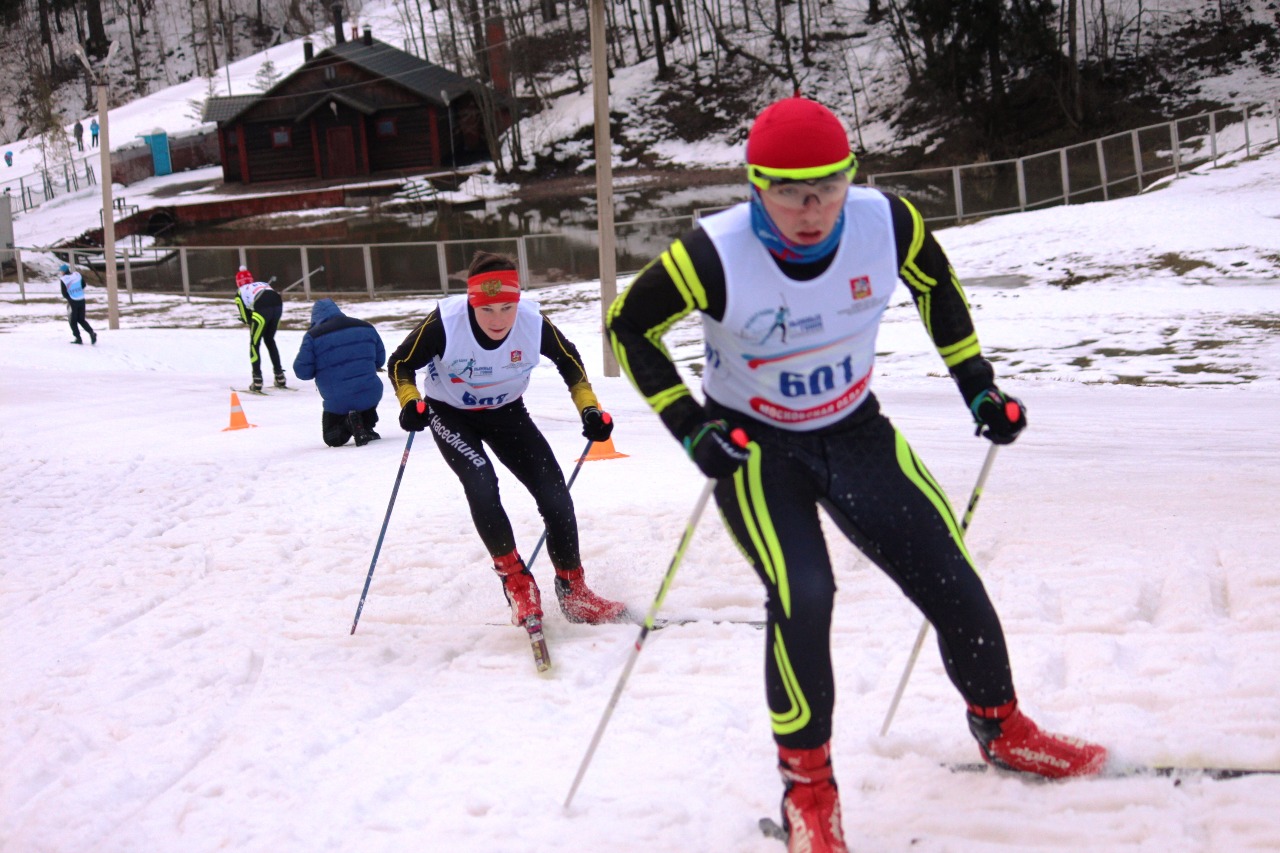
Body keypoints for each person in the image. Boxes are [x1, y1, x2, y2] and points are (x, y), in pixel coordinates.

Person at [606, 96, 1107, 852]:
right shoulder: (713, 252)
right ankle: (810, 793)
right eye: (789, 192)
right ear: (755, 185)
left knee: (950, 574)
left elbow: (936, 285)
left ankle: (1002, 727)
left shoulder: (887, 221)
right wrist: (690, 426)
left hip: (855, 428)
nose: (812, 210)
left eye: (829, 188)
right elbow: (630, 326)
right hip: (757, 445)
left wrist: (978, 385)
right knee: (804, 592)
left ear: (850, 176)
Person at [388, 250, 626, 629]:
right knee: (482, 483)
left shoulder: (532, 321)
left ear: (518, 300)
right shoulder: (445, 323)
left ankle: (574, 591)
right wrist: (410, 402)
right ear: (471, 303)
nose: (498, 319)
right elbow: (401, 363)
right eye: (487, 309)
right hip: (451, 415)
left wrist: (589, 409)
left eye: (506, 307)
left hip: (507, 413)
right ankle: (518, 584)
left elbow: (570, 361)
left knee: (555, 494)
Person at [293, 298, 386, 447]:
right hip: (370, 393)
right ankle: (366, 425)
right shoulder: (365, 327)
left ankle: (350, 423)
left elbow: (302, 372)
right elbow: (380, 360)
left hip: (338, 399)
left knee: (333, 438)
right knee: (365, 400)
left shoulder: (313, 336)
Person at [233, 267, 286, 392]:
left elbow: (245, 316)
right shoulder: (262, 283)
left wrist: (249, 321)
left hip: (262, 309)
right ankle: (280, 376)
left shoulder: (240, 292)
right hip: (277, 305)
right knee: (270, 340)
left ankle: (257, 380)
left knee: (254, 344)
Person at [58, 263, 96, 345]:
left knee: (72, 320)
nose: (60, 272)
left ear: (64, 271)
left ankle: (78, 338)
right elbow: (83, 284)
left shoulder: (64, 279)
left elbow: (64, 293)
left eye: (61, 271)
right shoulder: (77, 275)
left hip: (72, 301)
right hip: (81, 299)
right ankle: (91, 332)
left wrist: (70, 297)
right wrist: (78, 291)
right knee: (81, 319)